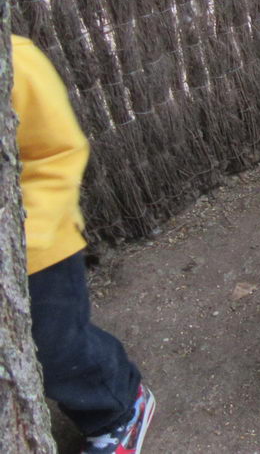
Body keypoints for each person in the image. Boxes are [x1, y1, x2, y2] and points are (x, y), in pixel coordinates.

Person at [13, 35, 155, 454]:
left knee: (56, 347)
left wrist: (27, 237)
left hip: (35, 253)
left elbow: (56, 153)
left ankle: (118, 406)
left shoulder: (14, 60)